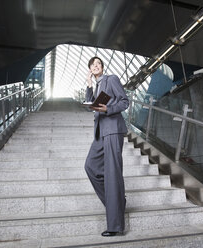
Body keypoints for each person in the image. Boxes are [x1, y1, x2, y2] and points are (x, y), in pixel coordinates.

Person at [84, 56, 129, 236]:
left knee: (112, 174)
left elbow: (125, 101)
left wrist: (107, 109)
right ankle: (117, 203)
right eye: (93, 64)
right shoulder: (95, 85)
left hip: (112, 129)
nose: (96, 66)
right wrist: (88, 85)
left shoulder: (111, 79)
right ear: (89, 69)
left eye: (99, 63)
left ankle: (115, 226)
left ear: (102, 67)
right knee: (90, 167)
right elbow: (90, 105)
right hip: (100, 132)